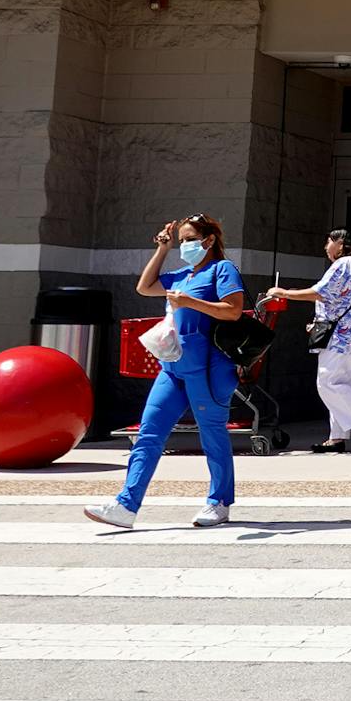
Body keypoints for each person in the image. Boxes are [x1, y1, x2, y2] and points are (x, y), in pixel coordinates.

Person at [85, 214, 247, 530]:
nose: (184, 246)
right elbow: (145, 287)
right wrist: (162, 249)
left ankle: (219, 502)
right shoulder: (182, 275)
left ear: (209, 240)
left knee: (212, 435)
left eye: (189, 239)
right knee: (148, 434)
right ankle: (125, 506)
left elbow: (234, 310)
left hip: (210, 369)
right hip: (173, 369)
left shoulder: (222, 270)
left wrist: (190, 302)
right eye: (182, 240)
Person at [266, 229, 351, 454]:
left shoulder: (344, 263)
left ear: (341, 243)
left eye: (328, 241)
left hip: (343, 337)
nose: (325, 247)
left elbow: (321, 292)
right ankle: (337, 436)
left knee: (328, 383)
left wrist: (285, 292)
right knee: (344, 384)